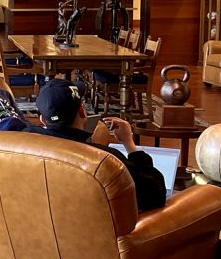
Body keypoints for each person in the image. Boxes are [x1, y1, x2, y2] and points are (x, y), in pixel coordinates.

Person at [24, 79, 166, 211]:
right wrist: (130, 145)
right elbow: (156, 195)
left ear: (43, 120)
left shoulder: (24, 144)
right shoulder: (106, 159)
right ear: (82, 110)